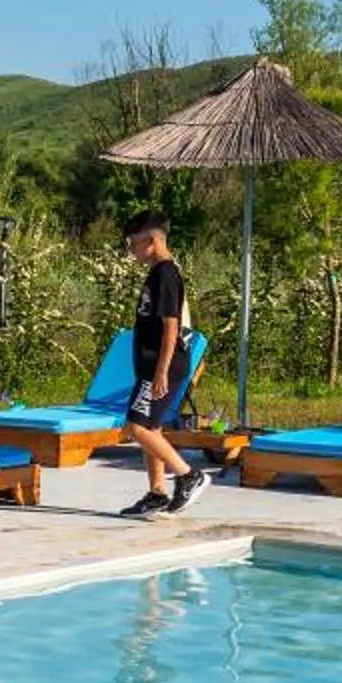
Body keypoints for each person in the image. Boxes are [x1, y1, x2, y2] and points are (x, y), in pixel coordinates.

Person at [116, 211, 208, 519]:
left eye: (134, 243)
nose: (131, 250)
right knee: (151, 428)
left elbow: (172, 327)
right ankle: (157, 493)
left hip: (162, 365)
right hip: (151, 364)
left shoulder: (166, 274)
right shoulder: (158, 273)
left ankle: (188, 475)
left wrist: (160, 372)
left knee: (136, 427)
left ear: (152, 241)